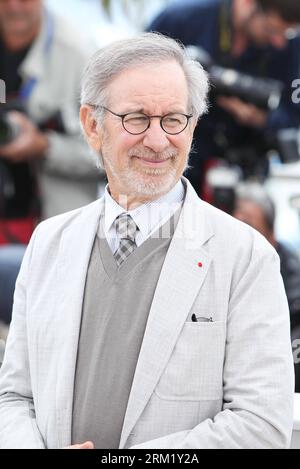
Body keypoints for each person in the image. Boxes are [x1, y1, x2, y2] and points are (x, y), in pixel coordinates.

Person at [0, 33, 294, 449]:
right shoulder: (48, 242)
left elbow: (262, 425)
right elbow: (13, 397)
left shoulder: (245, 257)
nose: (158, 141)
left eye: (173, 119)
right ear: (92, 125)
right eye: (137, 118)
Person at [0, 0, 102, 327]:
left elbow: (112, 152)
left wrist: (43, 145)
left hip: (49, 236)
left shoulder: (82, 56)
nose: (15, 6)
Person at [148, 0, 300, 194]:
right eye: (270, 29)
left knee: (251, 217)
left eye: (286, 33)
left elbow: (294, 115)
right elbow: (137, 86)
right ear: (246, 3)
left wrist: (260, 118)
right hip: (174, 162)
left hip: (245, 172)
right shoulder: (179, 19)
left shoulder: (291, 43)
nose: (279, 43)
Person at [233, 182, 300, 392]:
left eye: (249, 229)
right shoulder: (215, 261)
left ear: (271, 236)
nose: (239, 240)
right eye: (233, 227)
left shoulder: (292, 279)